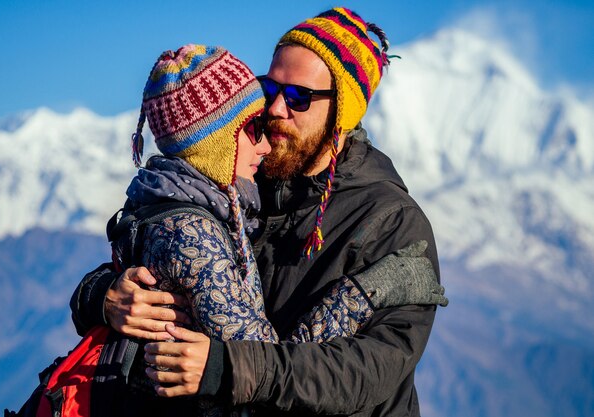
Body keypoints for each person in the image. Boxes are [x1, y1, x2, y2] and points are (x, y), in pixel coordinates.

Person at [71, 7, 447, 417]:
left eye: (299, 97)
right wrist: (102, 296)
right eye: (270, 89)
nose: (277, 109)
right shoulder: (236, 180)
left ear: (343, 112)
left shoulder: (391, 220)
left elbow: (368, 373)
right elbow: (161, 254)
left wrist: (226, 368)